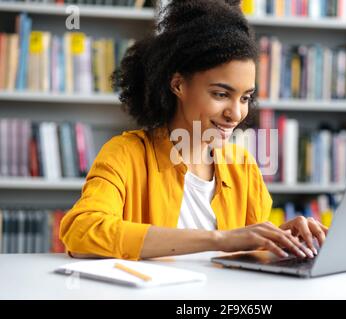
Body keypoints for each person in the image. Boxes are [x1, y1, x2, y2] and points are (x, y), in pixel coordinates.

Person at [60, 0, 328, 261]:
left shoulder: (243, 166)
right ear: (178, 85)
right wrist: (219, 239)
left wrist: (280, 240)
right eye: (221, 94)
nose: (236, 113)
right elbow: (82, 232)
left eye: (245, 98)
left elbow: (247, 256)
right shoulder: (125, 155)